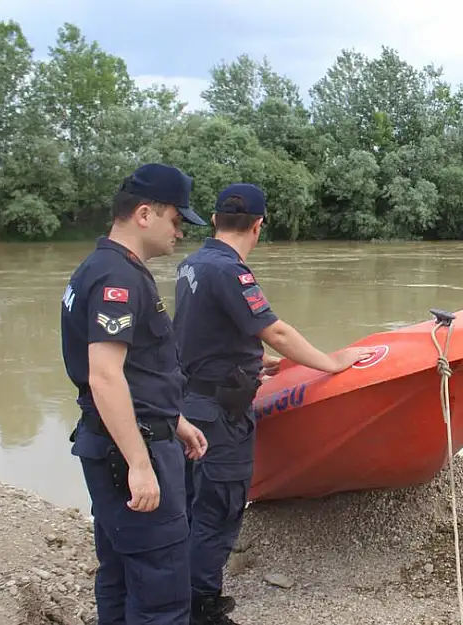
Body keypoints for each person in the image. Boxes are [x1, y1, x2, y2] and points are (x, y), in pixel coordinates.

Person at [172, 183, 375, 625]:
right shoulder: (231, 271)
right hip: (221, 414)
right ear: (259, 225)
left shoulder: (193, 263)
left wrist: (251, 361)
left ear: (213, 219)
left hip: (194, 402)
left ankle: (180, 594)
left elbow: (196, 333)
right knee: (219, 508)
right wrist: (330, 362)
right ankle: (199, 609)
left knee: (192, 504)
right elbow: (277, 331)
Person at [60, 163, 210, 625]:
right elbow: (105, 376)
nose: (180, 232)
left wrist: (175, 419)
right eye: (176, 220)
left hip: (118, 440)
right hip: (129, 451)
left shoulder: (104, 265)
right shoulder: (118, 280)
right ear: (145, 214)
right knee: (161, 592)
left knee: (122, 575)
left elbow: (138, 369)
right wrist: (141, 465)